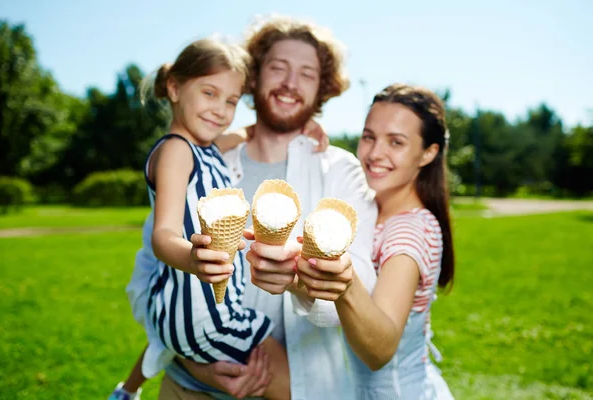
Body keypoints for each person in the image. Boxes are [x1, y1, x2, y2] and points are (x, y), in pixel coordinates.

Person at [155, 15, 379, 399]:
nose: (291, 83)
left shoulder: (340, 171)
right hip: (187, 385)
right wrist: (194, 359)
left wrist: (299, 283)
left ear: (322, 88)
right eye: (278, 68)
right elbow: (154, 270)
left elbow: (359, 290)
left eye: (307, 74)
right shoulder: (208, 159)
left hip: (297, 385)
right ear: (253, 77)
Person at [109, 37, 290, 400]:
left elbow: (243, 134)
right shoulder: (177, 151)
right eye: (209, 93)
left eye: (231, 101)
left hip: (196, 309)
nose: (220, 110)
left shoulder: (204, 149)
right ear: (174, 88)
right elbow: (163, 235)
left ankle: (127, 392)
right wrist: (192, 259)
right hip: (204, 315)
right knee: (294, 388)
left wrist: (306, 129)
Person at [296, 83, 456, 399]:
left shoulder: (409, 231)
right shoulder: (372, 208)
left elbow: (379, 351)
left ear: (428, 153)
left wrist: (345, 283)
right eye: (369, 136)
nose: (374, 153)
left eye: (395, 142)